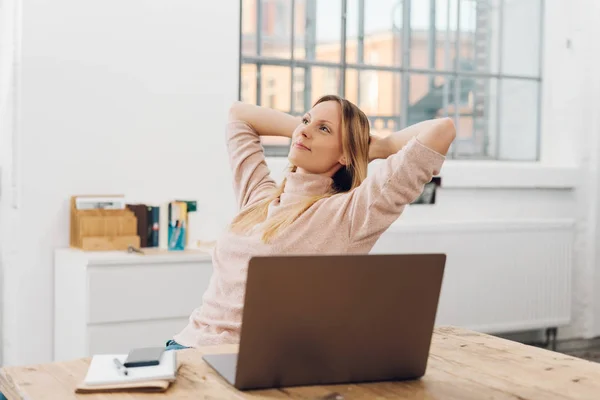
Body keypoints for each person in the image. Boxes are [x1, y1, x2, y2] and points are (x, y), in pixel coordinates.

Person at [166, 94, 456, 350]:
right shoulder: (258, 197)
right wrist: (303, 128)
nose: (305, 131)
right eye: (306, 120)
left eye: (324, 129)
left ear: (346, 153)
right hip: (184, 345)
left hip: (242, 360)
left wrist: (374, 148)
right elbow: (239, 115)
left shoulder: (349, 214)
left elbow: (441, 130)